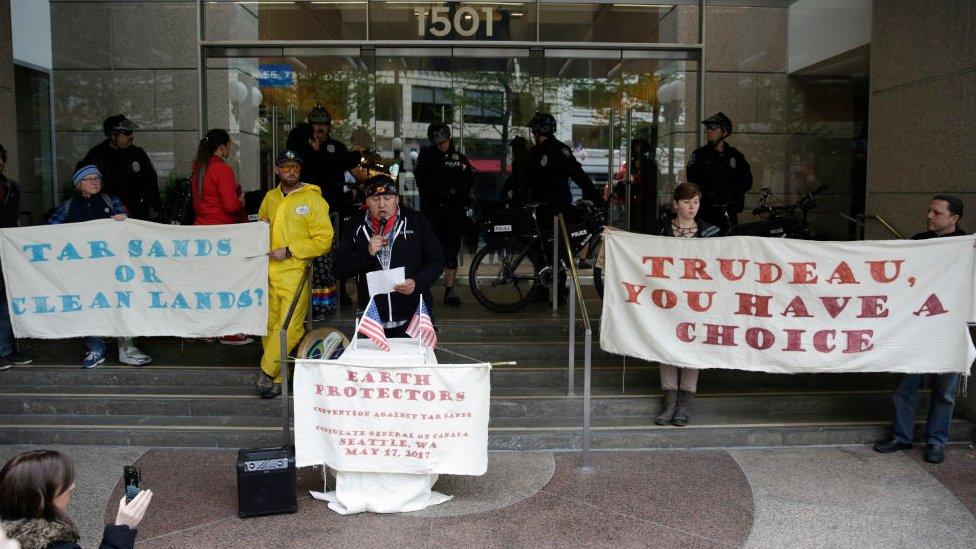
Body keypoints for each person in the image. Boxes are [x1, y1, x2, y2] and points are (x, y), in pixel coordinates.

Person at [873, 194, 968, 464]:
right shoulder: (916, 244)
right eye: (929, 210)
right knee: (905, 386)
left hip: (948, 330)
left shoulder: (965, 246)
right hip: (914, 329)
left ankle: (936, 442)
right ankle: (901, 437)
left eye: (937, 213)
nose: (929, 216)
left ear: (954, 218)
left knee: (945, 391)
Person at [49, 165, 152, 369]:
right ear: (79, 185)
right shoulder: (69, 206)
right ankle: (96, 348)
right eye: (88, 179)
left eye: (97, 178)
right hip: (84, 271)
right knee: (91, 305)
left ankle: (127, 347)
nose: (94, 182)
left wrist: (121, 220)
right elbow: (51, 230)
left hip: (114, 269)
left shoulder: (110, 201)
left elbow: (128, 226)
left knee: (121, 302)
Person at [256, 150, 334, 398]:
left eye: (295, 167)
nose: (291, 170)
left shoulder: (312, 200)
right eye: (286, 166)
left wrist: (291, 251)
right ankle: (279, 380)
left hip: (295, 271)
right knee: (269, 326)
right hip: (267, 272)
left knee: (290, 327)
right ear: (277, 170)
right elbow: (260, 226)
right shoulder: (270, 197)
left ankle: (266, 371)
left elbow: (324, 240)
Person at [334, 175, 445, 337]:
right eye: (375, 198)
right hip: (373, 320)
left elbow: (436, 262)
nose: (382, 204)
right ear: (367, 201)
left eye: (387, 198)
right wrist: (367, 254)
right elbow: (339, 269)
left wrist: (417, 282)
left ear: (397, 199)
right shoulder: (355, 226)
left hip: (413, 316)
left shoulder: (417, 221)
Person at [655, 183, 720, 427]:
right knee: (667, 345)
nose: (692, 207)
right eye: (686, 202)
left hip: (698, 301)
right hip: (667, 299)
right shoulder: (662, 230)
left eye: (696, 202)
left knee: (692, 346)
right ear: (675, 204)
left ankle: (684, 403)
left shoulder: (712, 232)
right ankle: (669, 402)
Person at [0, 450, 153, 549]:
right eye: (65, 482)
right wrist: (122, 528)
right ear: (42, 495)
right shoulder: (55, 546)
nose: (73, 486)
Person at [190, 129, 252, 346]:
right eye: (229, 145)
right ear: (223, 146)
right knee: (227, 284)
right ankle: (228, 331)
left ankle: (206, 329)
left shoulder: (198, 168)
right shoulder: (221, 169)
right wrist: (240, 201)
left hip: (201, 231)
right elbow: (230, 205)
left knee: (207, 285)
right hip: (222, 234)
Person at [413, 122, 473, 306]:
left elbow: (469, 180)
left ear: (449, 139)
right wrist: (442, 193)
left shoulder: (459, 158)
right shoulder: (427, 157)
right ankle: (424, 290)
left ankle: (449, 290)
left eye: (445, 142)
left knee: (451, 253)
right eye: (438, 143)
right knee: (429, 252)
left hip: (453, 214)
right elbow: (423, 182)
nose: (442, 146)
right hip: (432, 213)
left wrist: (458, 195)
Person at [82, 115, 161, 221]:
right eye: (127, 133)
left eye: (132, 132)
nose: (132, 136)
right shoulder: (96, 156)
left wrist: (156, 208)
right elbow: (85, 185)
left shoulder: (138, 154)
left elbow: (151, 182)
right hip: (107, 216)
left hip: (137, 215)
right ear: (113, 135)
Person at [685, 112, 753, 233]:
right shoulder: (700, 155)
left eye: (713, 128)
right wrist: (710, 194)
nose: (708, 132)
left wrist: (730, 193)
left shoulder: (735, 156)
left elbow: (747, 181)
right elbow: (692, 181)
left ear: (725, 132)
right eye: (707, 128)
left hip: (729, 212)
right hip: (706, 213)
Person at [527, 112, 604, 216]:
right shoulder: (552, 150)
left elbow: (579, 176)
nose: (533, 134)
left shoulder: (553, 150)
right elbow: (579, 176)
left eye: (534, 130)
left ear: (540, 130)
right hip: (549, 210)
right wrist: (598, 200)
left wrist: (597, 199)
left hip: (552, 211)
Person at [0, 145, 32, 369]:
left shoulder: (11, 187)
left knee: (6, 302)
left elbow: (14, 222)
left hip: (5, 252)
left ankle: (6, 350)